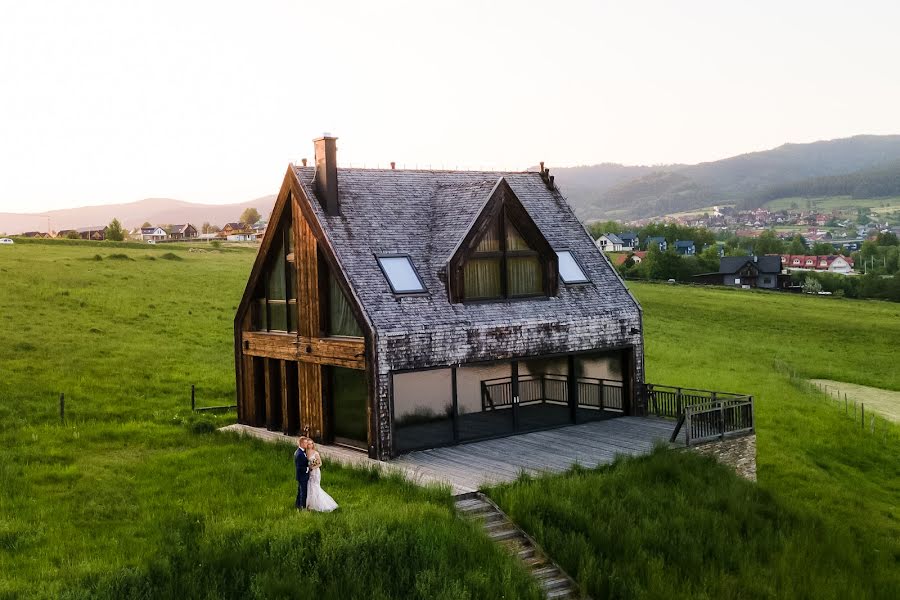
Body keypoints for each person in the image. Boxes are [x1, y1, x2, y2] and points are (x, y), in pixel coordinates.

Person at [304, 440, 338, 512]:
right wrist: (309, 467)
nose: (310, 445)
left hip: (315, 472)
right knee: (309, 485)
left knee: (315, 486)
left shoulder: (315, 453)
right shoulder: (306, 453)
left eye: (312, 444)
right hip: (309, 472)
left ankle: (318, 503)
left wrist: (313, 467)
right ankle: (309, 504)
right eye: (309, 444)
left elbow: (320, 463)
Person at [294, 436, 310, 510]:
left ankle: (297, 504)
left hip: (301, 476)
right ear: (302, 443)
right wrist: (308, 468)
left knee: (300, 490)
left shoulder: (302, 452)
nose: (307, 444)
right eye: (306, 443)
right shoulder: (299, 454)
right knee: (303, 492)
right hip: (302, 476)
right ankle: (302, 507)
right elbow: (299, 467)